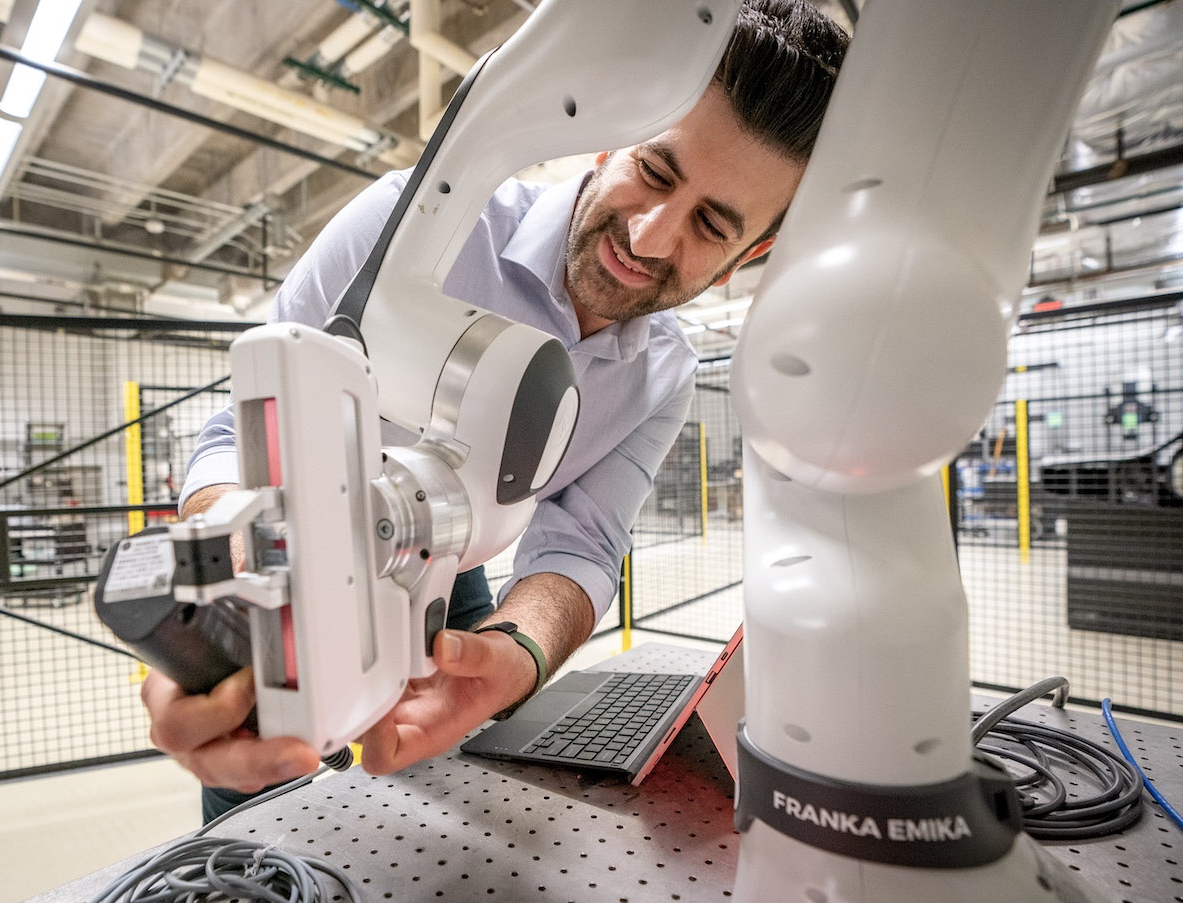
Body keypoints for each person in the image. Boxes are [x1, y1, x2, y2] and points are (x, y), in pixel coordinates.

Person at [145, 0, 850, 822]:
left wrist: (516, 653)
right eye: (655, 172)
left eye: (712, 224)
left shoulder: (662, 376)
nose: (652, 238)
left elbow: (582, 539)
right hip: (293, 555)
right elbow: (241, 432)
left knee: (452, 823)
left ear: (748, 257)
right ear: (609, 137)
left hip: (457, 571)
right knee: (259, 831)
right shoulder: (399, 226)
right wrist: (238, 569)